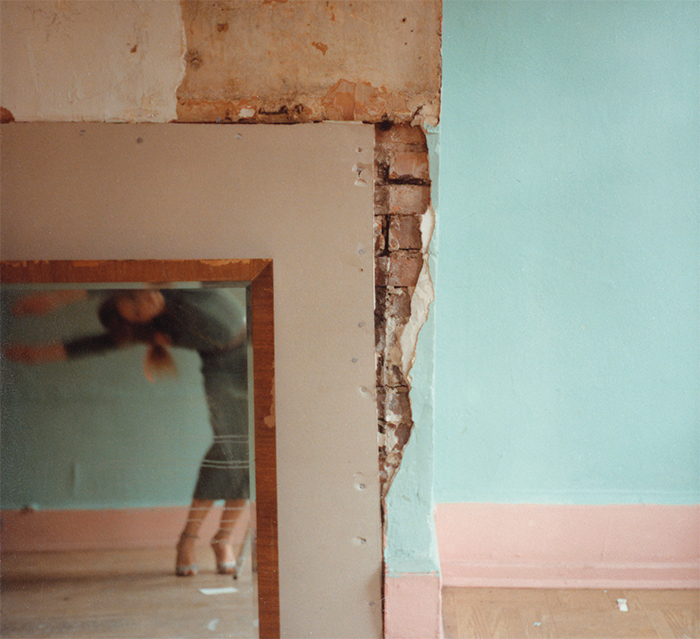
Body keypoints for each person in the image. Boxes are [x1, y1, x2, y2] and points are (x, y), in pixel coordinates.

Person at [4, 287, 250, 578]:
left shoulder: (169, 287)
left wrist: (55, 298)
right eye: (136, 311)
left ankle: (223, 538)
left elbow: (103, 285)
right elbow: (87, 346)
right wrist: (32, 354)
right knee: (231, 449)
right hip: (223, 368)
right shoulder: (152, 330)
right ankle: (189, 539)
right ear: (139, 322)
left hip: (253, 348)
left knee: (249, 455)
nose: (145, 301)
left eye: (136, 297)